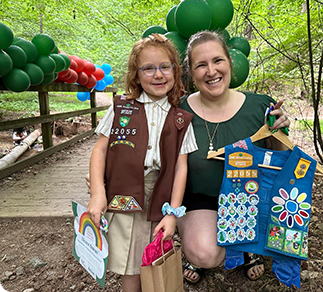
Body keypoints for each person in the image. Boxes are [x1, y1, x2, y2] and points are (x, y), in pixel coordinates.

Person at [175, 30, 291, 284]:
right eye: (201, 65)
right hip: (201, 200)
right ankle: (214, 239)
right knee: (204, 253)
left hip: (249, 197)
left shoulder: (261, 106)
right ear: (191, 73)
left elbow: (283, 162)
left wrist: (279, 132)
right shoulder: (179, 111)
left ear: (229, 62)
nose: (211, 71)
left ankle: (246, 245)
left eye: (218, 60)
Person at [86, 34, 198, 292]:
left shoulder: (181, 119)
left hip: (161, 196)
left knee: (156, 260)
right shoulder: (121, 109)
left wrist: (173, 214)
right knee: (131, 264)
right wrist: (97, 193)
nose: (158, 74)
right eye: (148, 68)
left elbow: (181, 167)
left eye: (165, 66)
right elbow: (100, 151)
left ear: (175, 71)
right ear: (136, 75)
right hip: (125, 193)